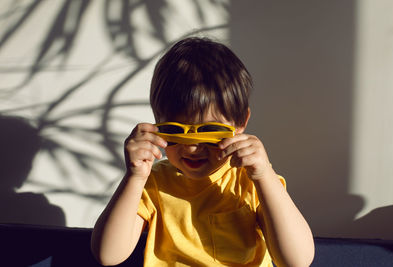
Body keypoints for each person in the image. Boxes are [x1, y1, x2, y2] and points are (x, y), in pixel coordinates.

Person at [91, 37, 315, 266]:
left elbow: (297, 261)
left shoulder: (250, 181)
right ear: (157, 123)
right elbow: (109, 256)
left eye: (210, 132)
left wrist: (264, 175)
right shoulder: (153, 182)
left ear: (241, 123)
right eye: (174, 131)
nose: (191, 148)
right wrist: (134, 176)